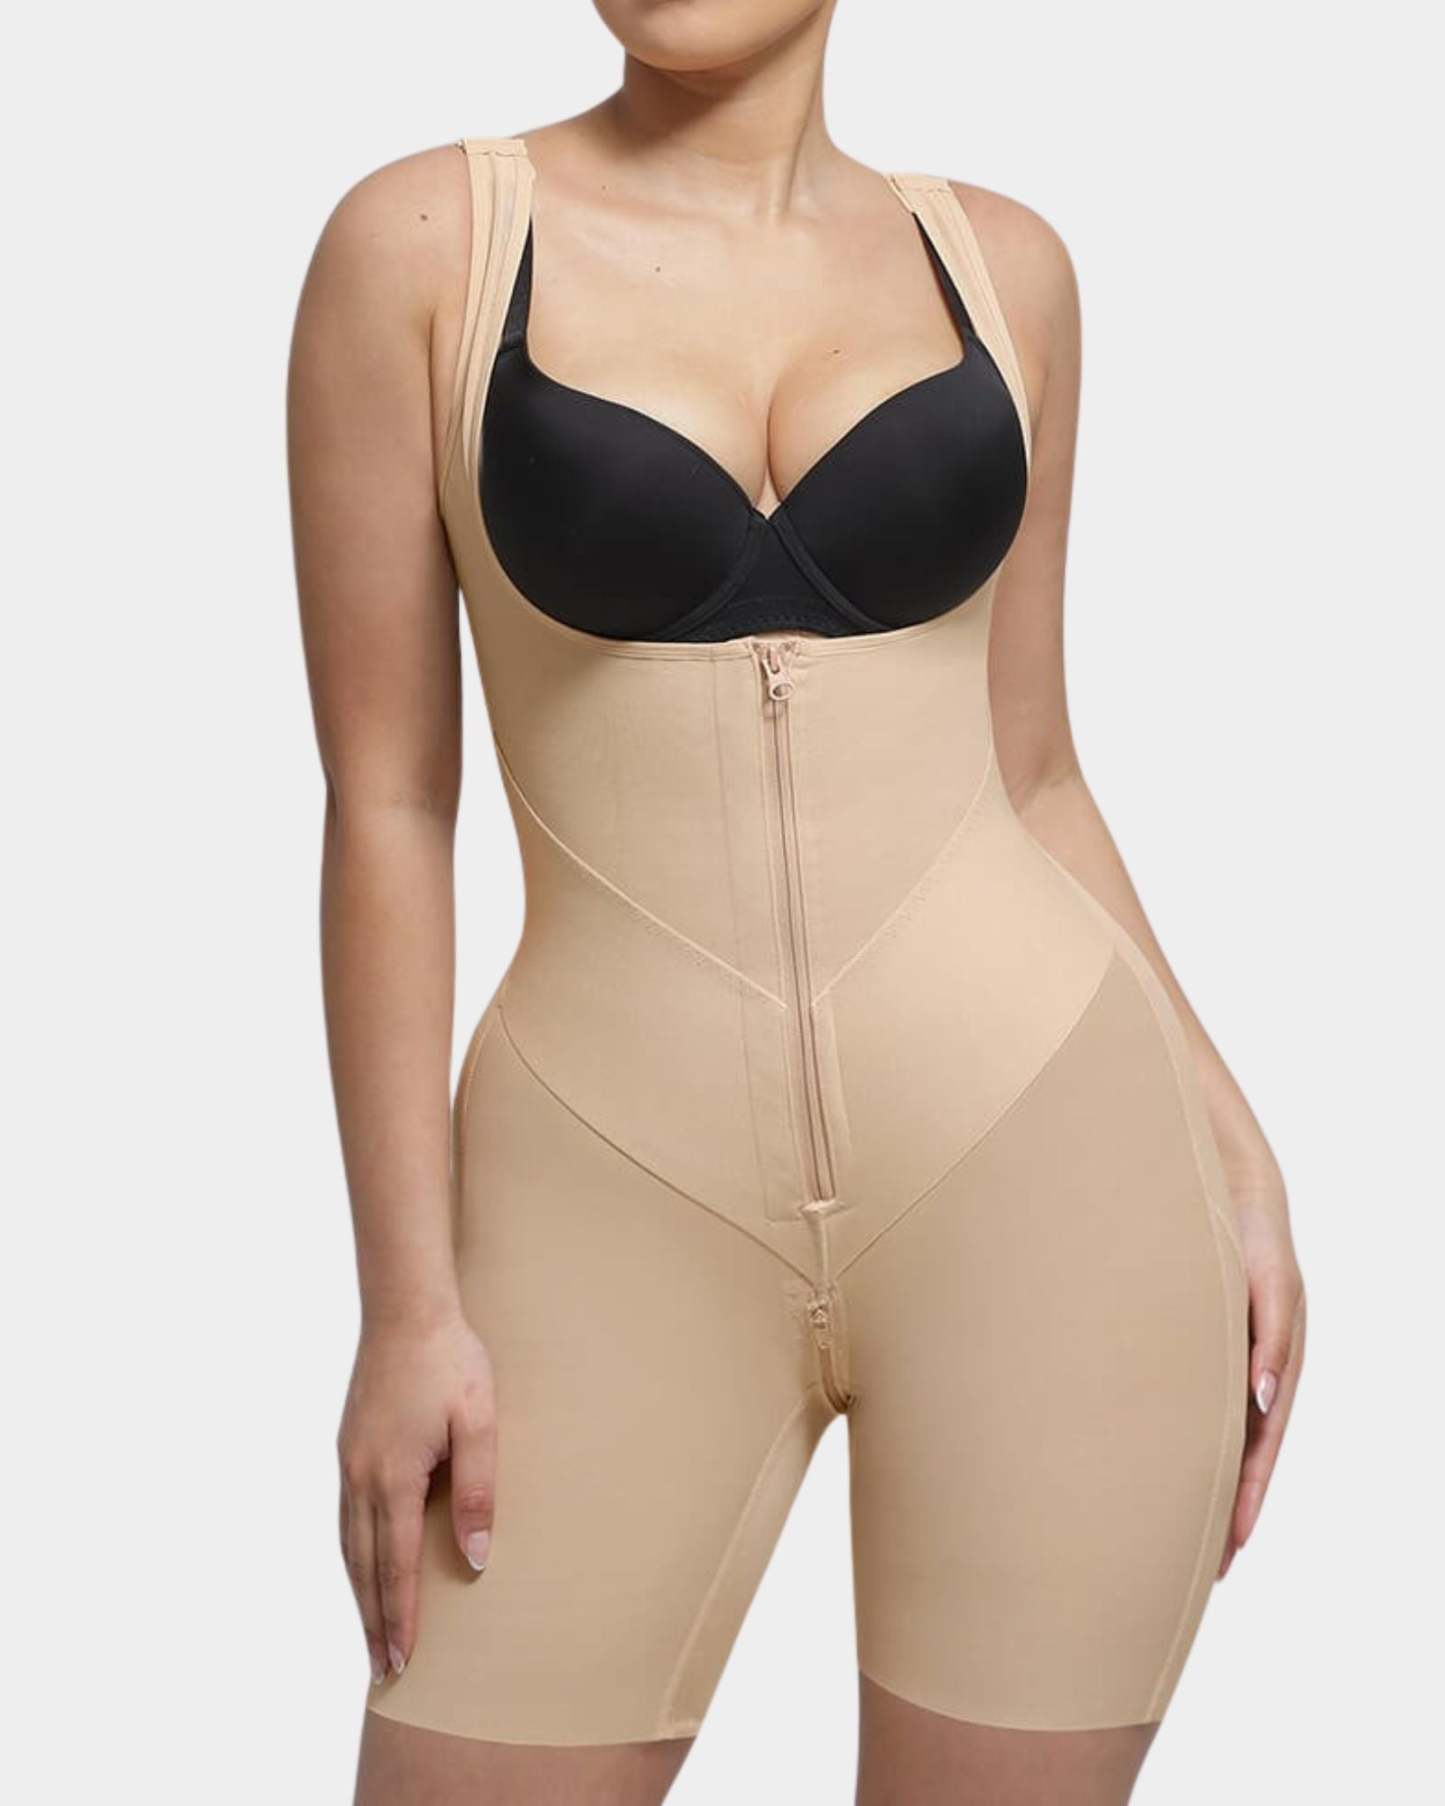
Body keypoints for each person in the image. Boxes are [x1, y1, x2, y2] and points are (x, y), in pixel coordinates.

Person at [286, 5, 1305, 1801]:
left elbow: (1033, 769)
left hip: (1047, 1166)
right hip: (602, 1196)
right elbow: (388, 805)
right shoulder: (426, 245)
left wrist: (1231, 1145)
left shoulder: (1003, 269)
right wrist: (405, 1303)